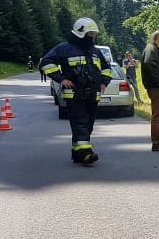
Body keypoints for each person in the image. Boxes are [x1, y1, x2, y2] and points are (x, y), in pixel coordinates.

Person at [39, 18, 112, 164]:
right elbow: (45, 63)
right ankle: (85, 153)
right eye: (90, 33)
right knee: (81, 123)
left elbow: (106, 68)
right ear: (81, 33)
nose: (92, 36)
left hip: (93, 94)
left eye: (93, 34)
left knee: (88, 124)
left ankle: (77, 153)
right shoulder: (64, 49)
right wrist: (61, 79)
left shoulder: (95, 51)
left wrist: (104, 83)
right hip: (74, 95)